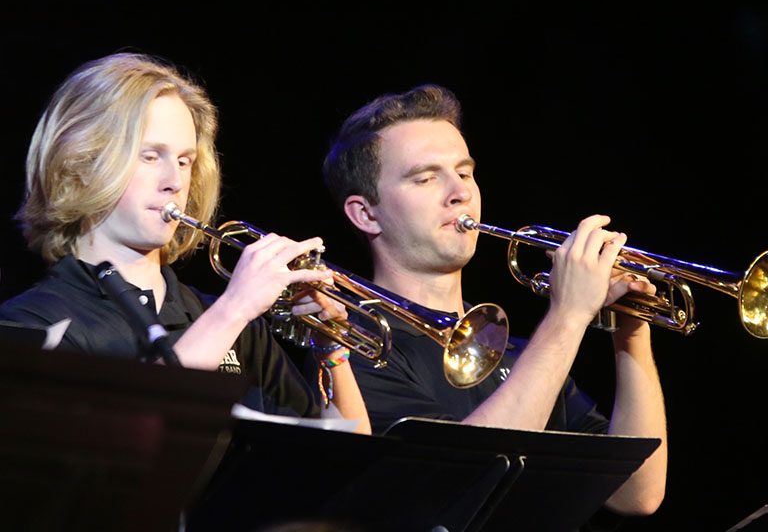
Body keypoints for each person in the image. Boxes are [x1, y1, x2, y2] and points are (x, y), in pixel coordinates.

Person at [322, 84, 666, 516]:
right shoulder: (355, 348)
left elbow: (636, 494)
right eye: (427, 177)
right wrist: (568, 314)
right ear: (365, 214)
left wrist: (631, 334)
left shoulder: (525, 357)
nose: (460, 192)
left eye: (464, 173)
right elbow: (469, 479)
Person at [0, 52, 370, 434]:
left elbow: (349, 462)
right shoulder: (30, 325)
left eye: (184, 160)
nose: (174, 181)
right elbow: (119, 442)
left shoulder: (233, 325)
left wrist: (331, 347)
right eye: (149, 156)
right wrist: (235, 308)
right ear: (81, 164)